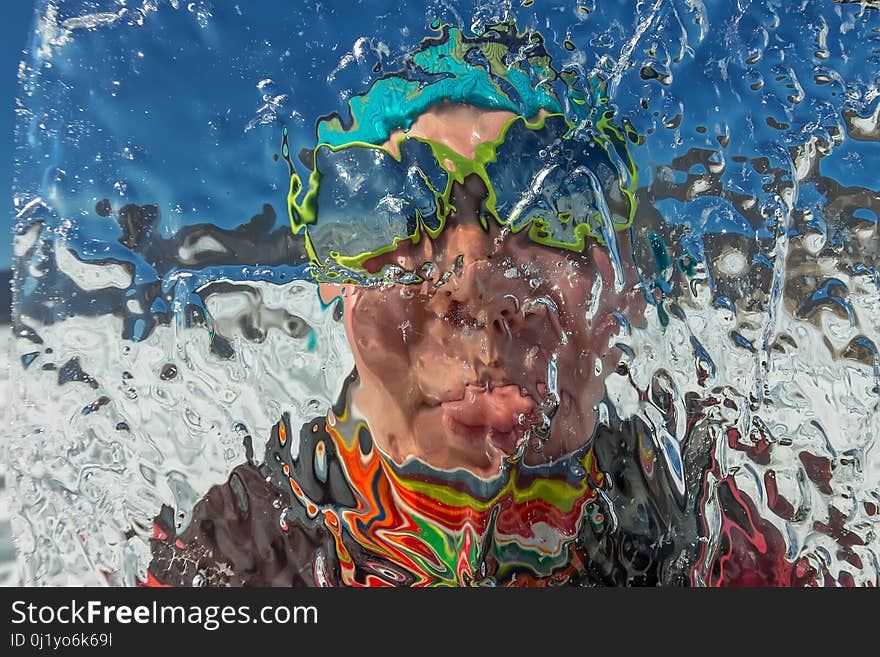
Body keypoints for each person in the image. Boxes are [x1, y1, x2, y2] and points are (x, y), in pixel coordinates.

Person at [145, 22, 710, 587]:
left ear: (628, 285)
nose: (475, 279)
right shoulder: (226, 552)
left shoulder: (726, 505)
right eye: (402, 211)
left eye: (551, 212)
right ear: (334, 286)